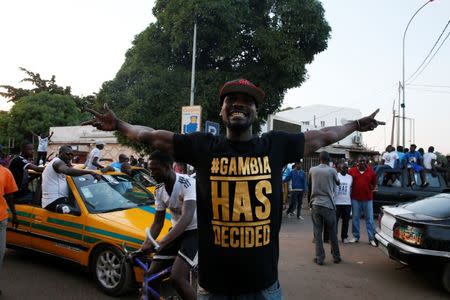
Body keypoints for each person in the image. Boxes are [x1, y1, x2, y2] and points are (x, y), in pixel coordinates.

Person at [82, 78, 384, 298]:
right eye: (231, 100)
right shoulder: (202, 146)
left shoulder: (275, 145)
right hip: (214, 289)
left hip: (264, 289)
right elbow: (151, 136)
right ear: (223, 110)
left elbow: (323, 135)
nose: (239, 103)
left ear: (255, 111)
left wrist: (355, 125)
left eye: (247, 100)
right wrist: (120, 125)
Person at [140, 150, 197, 300]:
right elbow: (157, 223)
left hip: (195, 232)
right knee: (150, 276)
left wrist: (162, 242)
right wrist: (146, 243)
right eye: (150, 169)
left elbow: (187, 216)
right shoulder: (159, 191)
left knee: (177, 278)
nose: (151, 173)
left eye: (155, 169)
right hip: (177, 232)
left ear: (167, 167)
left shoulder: (187, 183)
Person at [42, 145, 101, 211]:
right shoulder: (57, 162)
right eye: (68, 154)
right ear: (60, 153)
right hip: (54, 201)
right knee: (78, 212)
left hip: (59, 200)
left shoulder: (60, 164)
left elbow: (73, 171)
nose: (70, 156)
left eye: (72, 154)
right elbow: (67, 171)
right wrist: (90, 172)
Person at [308, 151, 341, 265]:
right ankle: (336, 257)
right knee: (332, 232)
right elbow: (338, 183)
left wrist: (309, 204)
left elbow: (309, 186)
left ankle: (320, 258)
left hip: (315, 204)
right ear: (329, 159)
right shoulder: (332, 170)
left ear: (319, 159)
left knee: (318, 232)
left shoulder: (312, 170)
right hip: (328, 205)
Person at [348, 156, 378, 246]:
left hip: (368, 199)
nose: (362, 163)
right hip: (355, 199)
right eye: (360, 161)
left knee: (370, 219)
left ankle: (371, 238)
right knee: (355, 218)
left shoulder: (371, 172)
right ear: (357, 162)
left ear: (367, 162)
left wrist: (371, 189)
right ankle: (356, 236)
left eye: (364, 161)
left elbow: (374, 185)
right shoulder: (351, 171)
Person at [0, 164, 18, 296]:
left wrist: (14, 215)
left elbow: (9, 196)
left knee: (0, 253)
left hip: (1, 219)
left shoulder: (5, 173)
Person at [334, 162, 353, 244]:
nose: (345, 169)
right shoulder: (336, 175)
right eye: (343, 168)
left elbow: (351, 189)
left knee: (346, 221)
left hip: (347, 203)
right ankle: (334, 236)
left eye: (346, 168)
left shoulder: (350, 177)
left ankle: (344, 237)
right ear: (340, 168)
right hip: (337, 202)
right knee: (335, 221)